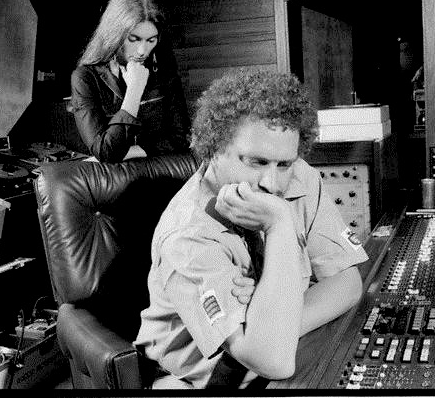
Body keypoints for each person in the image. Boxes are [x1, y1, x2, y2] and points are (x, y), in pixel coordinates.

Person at [135, 69, 367, 388]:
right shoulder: (187, 234)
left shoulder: (299, 176)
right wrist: (279, 224)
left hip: (283, 356)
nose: (272, 183)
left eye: (283, 164)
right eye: (256, 162)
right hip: (203, 382)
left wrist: (275, 324)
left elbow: (348, 283)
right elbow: (272, 360)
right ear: (214, 148)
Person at [70, 0, 191, 163]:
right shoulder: (85, 78)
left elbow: (182, 137)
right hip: (111, 178)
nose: (142, 51)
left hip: (158, 170)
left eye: (151, 40)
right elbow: (105, 150)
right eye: (134, 39)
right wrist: (134, 91)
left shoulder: (164, 73)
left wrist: (131, 152)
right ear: (115, 35)